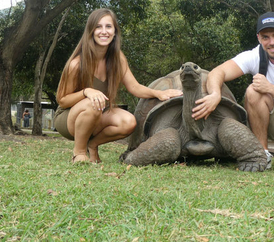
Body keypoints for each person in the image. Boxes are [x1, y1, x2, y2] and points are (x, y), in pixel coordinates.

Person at [192, 11, 274, 171]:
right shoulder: (255, 56)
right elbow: (217, 72)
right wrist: (215, 94)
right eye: (265, 37)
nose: (271, 42)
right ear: (259, 38)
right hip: (272, 117)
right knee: (253, 91)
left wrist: (271, 88)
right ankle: (262, 154)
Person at [54, 8, 183, 164]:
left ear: (115, 31)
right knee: (91, 102)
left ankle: (92, 145)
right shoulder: (76, 64)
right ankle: (79, 152)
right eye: (98, 27)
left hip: (97, 112)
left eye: (108, 26)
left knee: (129, 122)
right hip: (69, 118)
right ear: (90, 31)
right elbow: (62, 100)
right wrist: (87, 92)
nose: (104, 31)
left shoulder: (117, 59)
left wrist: (158, 93)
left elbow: (134, 87)